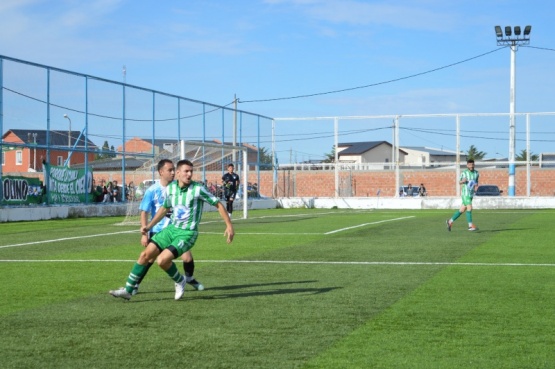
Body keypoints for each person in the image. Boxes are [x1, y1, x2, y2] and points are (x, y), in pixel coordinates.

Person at [109, 159, 234, 301]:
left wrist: (229, 225)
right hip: (171, 229)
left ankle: (181, 280)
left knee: (162, 260)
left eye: (191, 171)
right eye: (186, 171)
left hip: (187, 233)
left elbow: (218, 204)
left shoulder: (197, 189)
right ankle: (128, 290)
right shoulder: (171, 188)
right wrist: (149, 226)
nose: (189, 174)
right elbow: (164, 209)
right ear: (179, 173)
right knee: (145, 255)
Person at [131, 159, 204, 296]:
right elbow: (144, 211)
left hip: (176, 230)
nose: (172, 173)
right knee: (149, 259)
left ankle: (189, 278)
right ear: (161, 172)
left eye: (173, 170)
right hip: (158, 230)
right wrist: (144, 232)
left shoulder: (177, 187)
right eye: (169, 170)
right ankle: (135, 284)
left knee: (187, 257)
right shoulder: (152, 190)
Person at [447, 159, 479, 232]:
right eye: (470, 164)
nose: (471, 166)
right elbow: (459, 182)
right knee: (470, 208)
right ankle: (470, 226)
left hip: (471, 194)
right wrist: (463, 181)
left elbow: (476, 182)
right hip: (465, 193)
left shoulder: (476, 173)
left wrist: (476, 185)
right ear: (467, 165)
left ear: (474, 165)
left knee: (461, 210)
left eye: (472, 164)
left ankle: (450, 221)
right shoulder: (464, 173)